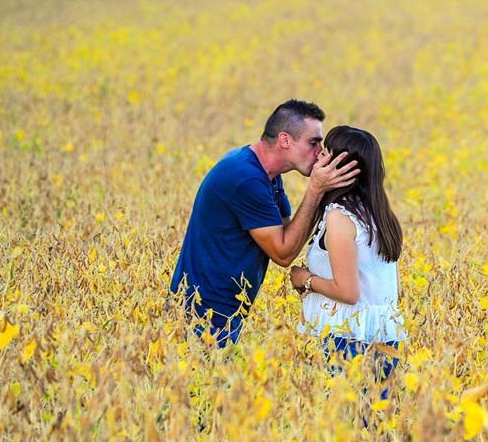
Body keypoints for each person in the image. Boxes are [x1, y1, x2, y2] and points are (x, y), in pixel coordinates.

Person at [170, 99, 360, 347]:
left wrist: (321, 192)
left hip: (220, 312)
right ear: (284, 140)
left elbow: (289, 236)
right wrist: (316, 190)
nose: (320, 152)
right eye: (313, 142)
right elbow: (283, 254)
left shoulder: (267, 176)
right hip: (202, 314)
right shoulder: (244, 178)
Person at [289, 125, 405, 395]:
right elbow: (393, 290)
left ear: (342, 167)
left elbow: (348, 292)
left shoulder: (341, 217)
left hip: (345, 339)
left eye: (325, 154)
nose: (318, 157)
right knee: (373, 424)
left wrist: (305, 280)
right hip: (384, 337)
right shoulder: (379, 215)